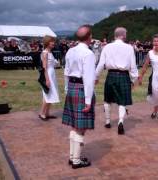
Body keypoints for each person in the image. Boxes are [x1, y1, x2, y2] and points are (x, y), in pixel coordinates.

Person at [62, 25, 96, 169]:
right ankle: (76, 160)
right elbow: (88, 79)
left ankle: (72, 157)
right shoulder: (88, 54)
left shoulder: (70, 50)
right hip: (82, 90)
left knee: (75, 125)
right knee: (80, 127)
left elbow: (66, 71)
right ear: (89, 37)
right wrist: (88, 100)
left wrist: (66, 88)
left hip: (71, 88)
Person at [95, 27, 138, 135]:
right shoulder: (129, 48)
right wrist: (134, 79)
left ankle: (108, 121)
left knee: (107, 99)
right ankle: (120, 121)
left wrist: (96, 77)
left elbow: (101, 64)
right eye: (126, 34)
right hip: (124, 76)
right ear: (123, 35)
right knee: (122, 101)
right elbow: (133, 66)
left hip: (111, 75)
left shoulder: (107, 47)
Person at [38, 36, 60, 121]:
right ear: (47, 42)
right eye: (51, 42)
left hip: (52, 74)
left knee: (50, 93)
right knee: (47, 94)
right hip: (48, 75)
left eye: (54, 42)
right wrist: (47, 79)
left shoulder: (50, 52)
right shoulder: (45, 53)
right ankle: (42, 113)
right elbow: (44, 67)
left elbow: (52, 64)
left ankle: (47, 113)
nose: (53, 43)